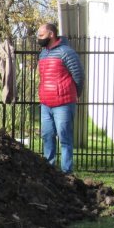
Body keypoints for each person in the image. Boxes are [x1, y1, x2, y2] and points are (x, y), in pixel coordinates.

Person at [37, 23, 84, 175]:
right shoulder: (43, 54)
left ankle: (66, 172)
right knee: (47, 136)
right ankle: (49, 170)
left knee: (65, 138)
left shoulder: (66, 52)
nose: (39, 38)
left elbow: (78, 75)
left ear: (51, 34)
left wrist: (77, 93)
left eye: (41, 35)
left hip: (63, 103)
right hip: (46, 104)